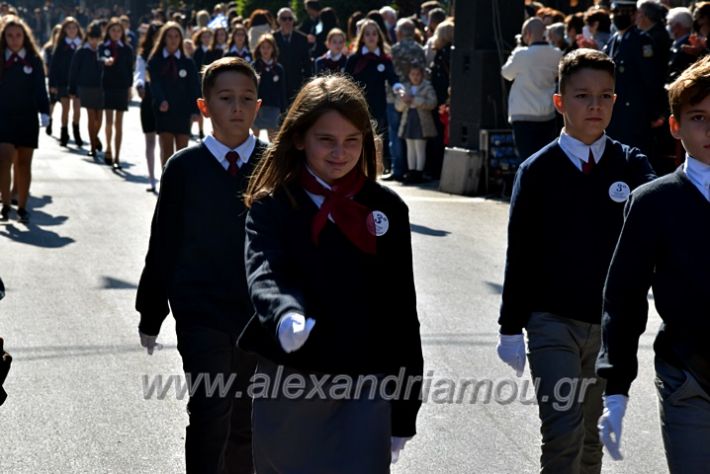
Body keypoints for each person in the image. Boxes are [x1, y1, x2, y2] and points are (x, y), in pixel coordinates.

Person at [240, 74, 423, 473]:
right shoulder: (273, 206)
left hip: (365, 381)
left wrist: (406, 408)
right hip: (291, 378)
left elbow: (401, 312)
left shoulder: (387, 209)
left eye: (352, 141)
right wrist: (285, 313)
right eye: (327, 140)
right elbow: (265, 270)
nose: (340, 152)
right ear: (300, 138)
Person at [496, 49, 656, 473]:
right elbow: (521, 253)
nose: (595, 106)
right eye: (583, 95)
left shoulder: (632, 165)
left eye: (605, 96)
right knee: (563, 432)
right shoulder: (537, 171)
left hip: (607, 328)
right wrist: (510, 327)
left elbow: (660, 227)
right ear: (560, 102)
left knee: (590, 438)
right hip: (552, 322)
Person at [136, 56, 267, 474]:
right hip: (201, 314)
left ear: (258, 107)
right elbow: (164, 243)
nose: (237, 107)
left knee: (247, 418)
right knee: (211, 411)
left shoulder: (274, 164)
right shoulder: (184, 168)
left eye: (246, 99)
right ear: (204, 105)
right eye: (226, 98)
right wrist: (151, 311)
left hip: (257, 316)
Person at [596, 55, 710, 474]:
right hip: (688, 378)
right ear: (676, 126)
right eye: (698, 117)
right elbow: (623, 296)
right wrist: (616, 389)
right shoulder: (653, 201)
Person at [0, 15, 50, 224]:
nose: (14, 39)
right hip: (3, 116)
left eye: (18, 35)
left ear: (25, 36)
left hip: (27, 116)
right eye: (10, 35)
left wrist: (45, 111)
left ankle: (22, 206)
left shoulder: (34, 59)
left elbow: (40, 88)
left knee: (23, 163)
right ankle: (5, 205)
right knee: (4, 159)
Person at [603, 1, 662, 155]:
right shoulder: (614, 39)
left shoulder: (641, 40)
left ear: (634, 14)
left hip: (635, 113)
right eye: (615, 12)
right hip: (615, 112)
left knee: (635, 155)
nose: (618, 17)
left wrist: (655, 111)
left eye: (623, 13)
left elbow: (651, 79)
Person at [501, 17, 562, 162]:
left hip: (523, 115)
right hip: (547, 113)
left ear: (527, 33)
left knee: (527, 160)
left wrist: (516, 50)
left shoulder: (521, 54)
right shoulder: (557, 54)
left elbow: (506, 73)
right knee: (545, 159)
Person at [345, 20, 401, 172]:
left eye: (374, 34)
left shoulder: (384, 59)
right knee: (357, 137)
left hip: (377, 105)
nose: (371, 37)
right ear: (362, 37)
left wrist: (398, 87)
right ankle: (355, 168)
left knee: (375, 138)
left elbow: (392, 77)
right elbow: (344, 79)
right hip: (356, 105)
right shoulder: (355, 58)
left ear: (379, 37)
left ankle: (374, 170)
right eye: (367, 34)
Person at [147, 22, 200, 167]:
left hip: (183, 111)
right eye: (170, 36)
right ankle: (167, 185)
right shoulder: (155, 60)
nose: (173, 39)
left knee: (182, 152)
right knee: (167, 150)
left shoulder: (187, 62)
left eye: (176, 36)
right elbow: (155, 83)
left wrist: (196, 110)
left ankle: (180, 187)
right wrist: (161, 100)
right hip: (164, 110)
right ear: (164, 38)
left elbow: (194, 86)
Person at [387, 18, 426, 181]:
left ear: (400, 32)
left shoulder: (394, 50)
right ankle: (414, 170)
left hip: (395, 96)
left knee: (396, 133)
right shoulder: (419, 49)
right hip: (416, 95)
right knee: (414, 136)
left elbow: (390, 73)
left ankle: (398, 169)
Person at [99, 17, 133, 170]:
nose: (116, 33)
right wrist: (105, 61)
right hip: (108, 86)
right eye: (113, 30)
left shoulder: (127, 48)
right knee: (108, 122)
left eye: (119, 30)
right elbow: (99, 59)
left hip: (121, 87)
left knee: (119, 123)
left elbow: (129, 69)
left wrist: (129, 88)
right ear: (108, 31)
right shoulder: (103, 46)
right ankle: (108, 148)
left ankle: (117, 156)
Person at [395, 64, 437, 184]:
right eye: (413, 74)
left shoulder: (427, 87)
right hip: (408, 120)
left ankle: (419, 172)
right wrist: (404, 100)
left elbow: (432, 103)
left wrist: (414, 99)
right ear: (409, 76)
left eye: (418, 74)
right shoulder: (405, 88)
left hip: (421, 122)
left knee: (420, 147)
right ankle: (411, 172)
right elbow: (398, 107)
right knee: (410, 147)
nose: (415, 77)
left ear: (422, 75)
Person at [69, 21, 105, 159]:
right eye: (92, 38)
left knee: (99, 118)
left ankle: (95, 137)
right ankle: (92, 147)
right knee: (91, 116)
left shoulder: (103, 51)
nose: (94, 41)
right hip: (86, 87)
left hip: (101, 87)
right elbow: (74, 71)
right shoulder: (81, 51)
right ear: (88, 38)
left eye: (97, 38)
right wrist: (72, 89)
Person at [135, 21, 162, 193]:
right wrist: (139, 85)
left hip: (165, 100)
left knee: (165, 140)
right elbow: (139, 73)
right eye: (155, 35)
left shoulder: (168, 56)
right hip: (148, 99)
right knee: (150, 140)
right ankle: (152, 178)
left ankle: (166, 177)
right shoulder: (143, 55)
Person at [48, 16, 83, 147]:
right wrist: (52, 84)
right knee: (65, 109)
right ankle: (64, 131)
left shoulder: (82, 44)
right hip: (63, 81)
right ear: (65, 30)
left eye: (74, 27)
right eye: (69, 28)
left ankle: (76, 131)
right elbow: (54, 65)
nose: (72, 30)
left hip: (79, 81)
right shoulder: (61, 45)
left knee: (77, 108)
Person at [273, 8, 312, 105]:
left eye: (290, 18)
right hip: (278, 82)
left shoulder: (302, 38)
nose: (287, 21)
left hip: (296, 82)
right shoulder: (273, 38)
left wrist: (308, 83)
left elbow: (307, 63)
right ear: (278, 20)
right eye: (284, 18)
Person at [251, 34, 286, 141]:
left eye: (268, 47)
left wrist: (283, 109)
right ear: (259, 49)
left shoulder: (278, 68)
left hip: (273, 106)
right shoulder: (254, 66)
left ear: (273, 49)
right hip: (257, 107)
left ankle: (272, 157)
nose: (266, 50)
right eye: (263, 47)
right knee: (255, 135)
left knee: (273, 137)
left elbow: (282, 89)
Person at [666, 7, 695, 84]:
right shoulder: (676, 43)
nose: (668, 27)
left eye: (669, 23)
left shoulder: (689, 46)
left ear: (678, 26)